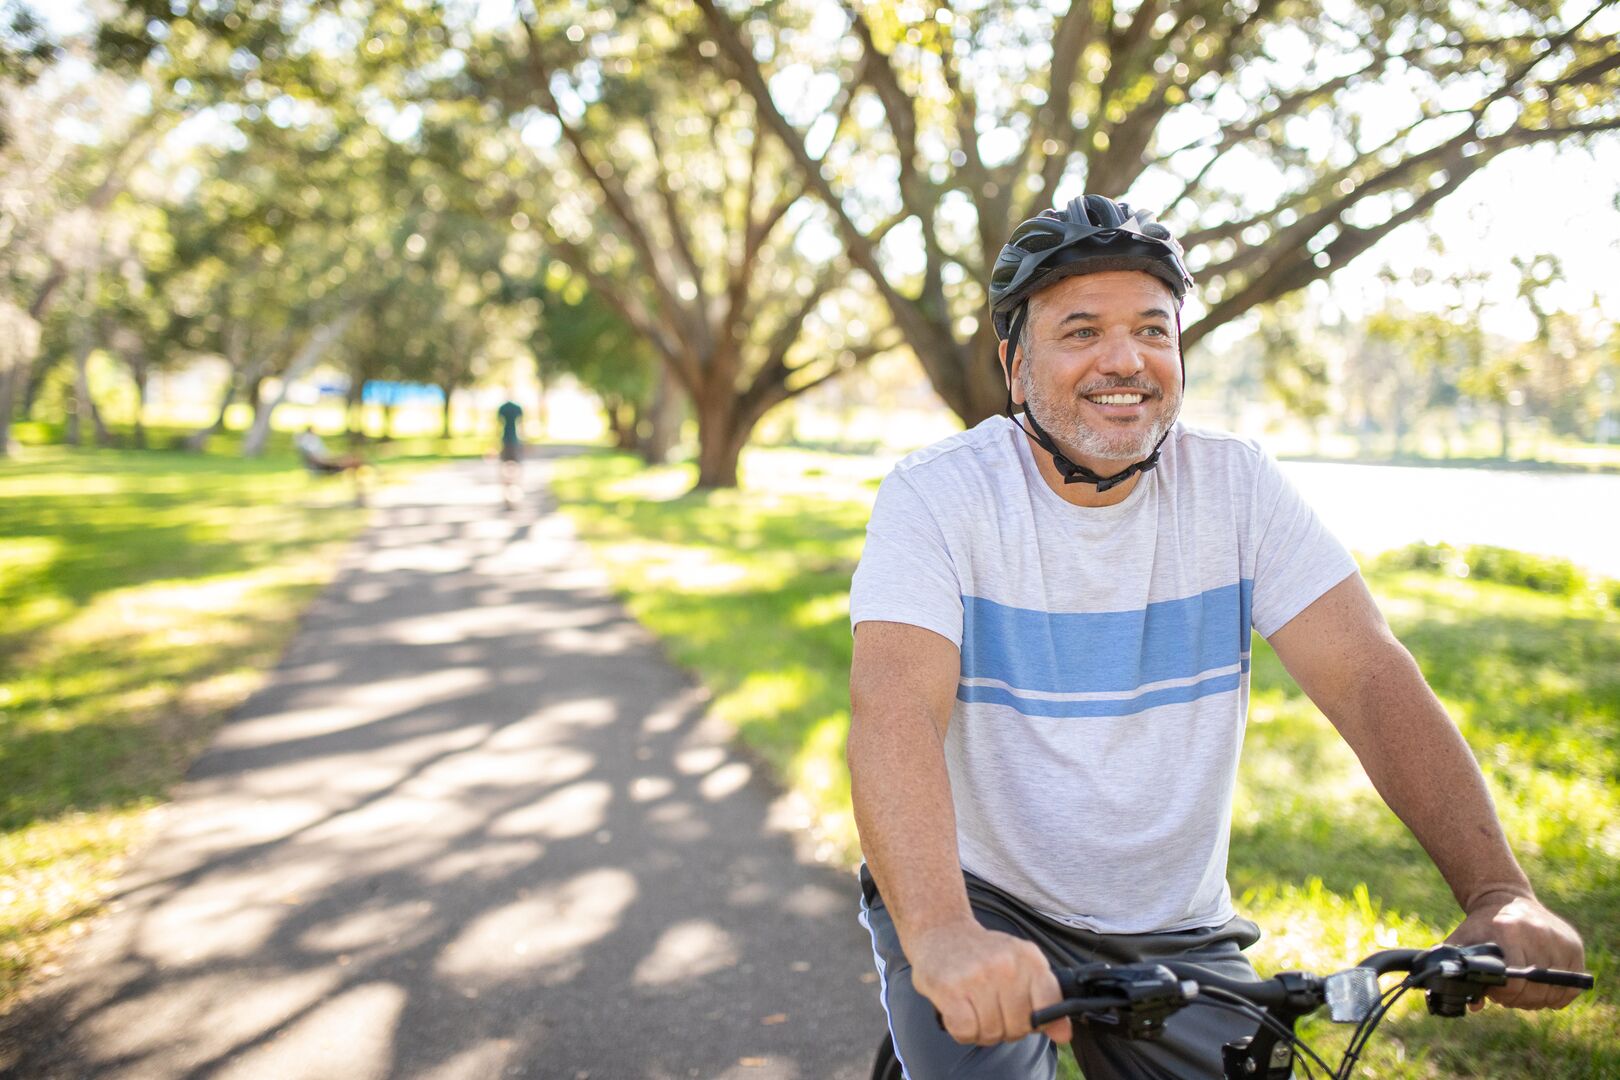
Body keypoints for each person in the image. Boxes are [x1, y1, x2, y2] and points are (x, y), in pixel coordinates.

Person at [845, 195, 1586, 1079]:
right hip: (982, 903)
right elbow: (894, 707)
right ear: (1015, 366)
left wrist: (1499, 891)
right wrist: (940, 934)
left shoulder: (1236, 488)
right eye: (1081, 331)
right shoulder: (939, 496)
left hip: (1178, 927)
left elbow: (1367, 678)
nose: (1126, 359)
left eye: (1154, 330)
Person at [294, 425, 369, 502]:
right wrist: (336, 461)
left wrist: (338, 457)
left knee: (355, 457)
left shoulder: (313, 442)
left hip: (328, 462)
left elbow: (325, 455)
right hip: (324, 467)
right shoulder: (309, 444)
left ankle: (360, 492)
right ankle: (360, 493)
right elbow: (319, 460)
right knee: (354, 462)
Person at [496, 395, 525, 507]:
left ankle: (508, 493)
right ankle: (513, 492)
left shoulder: (503, 408)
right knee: (516, 468)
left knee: (505, 467)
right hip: (514, 441)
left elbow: (497, 426)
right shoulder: (517, 408)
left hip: (506, 441)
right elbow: (522, 425)